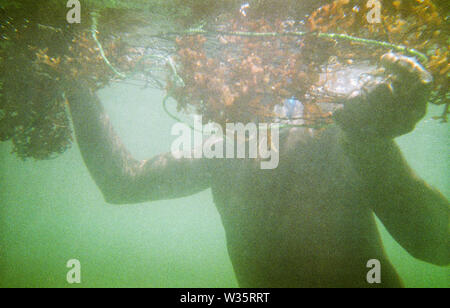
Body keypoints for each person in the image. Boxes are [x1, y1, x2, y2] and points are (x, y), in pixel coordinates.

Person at [63, 13, 449, 289]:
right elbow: (123, 184)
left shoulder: (344, 138)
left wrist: (373, 143)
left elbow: (439, 246)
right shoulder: (223, 152)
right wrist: (72, 76)